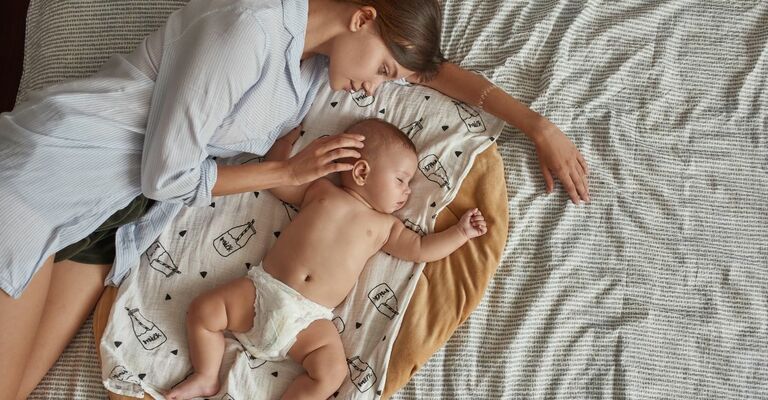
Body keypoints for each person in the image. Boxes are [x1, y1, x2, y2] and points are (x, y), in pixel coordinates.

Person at [0, 0, 588, 397]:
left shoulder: (314, 69)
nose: (377, 88)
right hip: (52, 177)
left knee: (18, 387)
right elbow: (165, 174)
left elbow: (431, 74)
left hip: (108, 221)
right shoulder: (248, 27)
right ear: (361, 17)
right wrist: (282, 171)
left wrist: (536, 125)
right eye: (383, 69)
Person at [166, 118, 488, 400]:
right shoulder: (319, 191)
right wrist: (284, 144)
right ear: (362, 171)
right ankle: (207, 375)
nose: (407, 192)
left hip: (310, 319)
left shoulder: (386, 226)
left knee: (332, 373)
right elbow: (279, 182)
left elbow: (420, 249)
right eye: (401, 180)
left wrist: (459, 234)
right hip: (262, 291)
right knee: (204, 310)